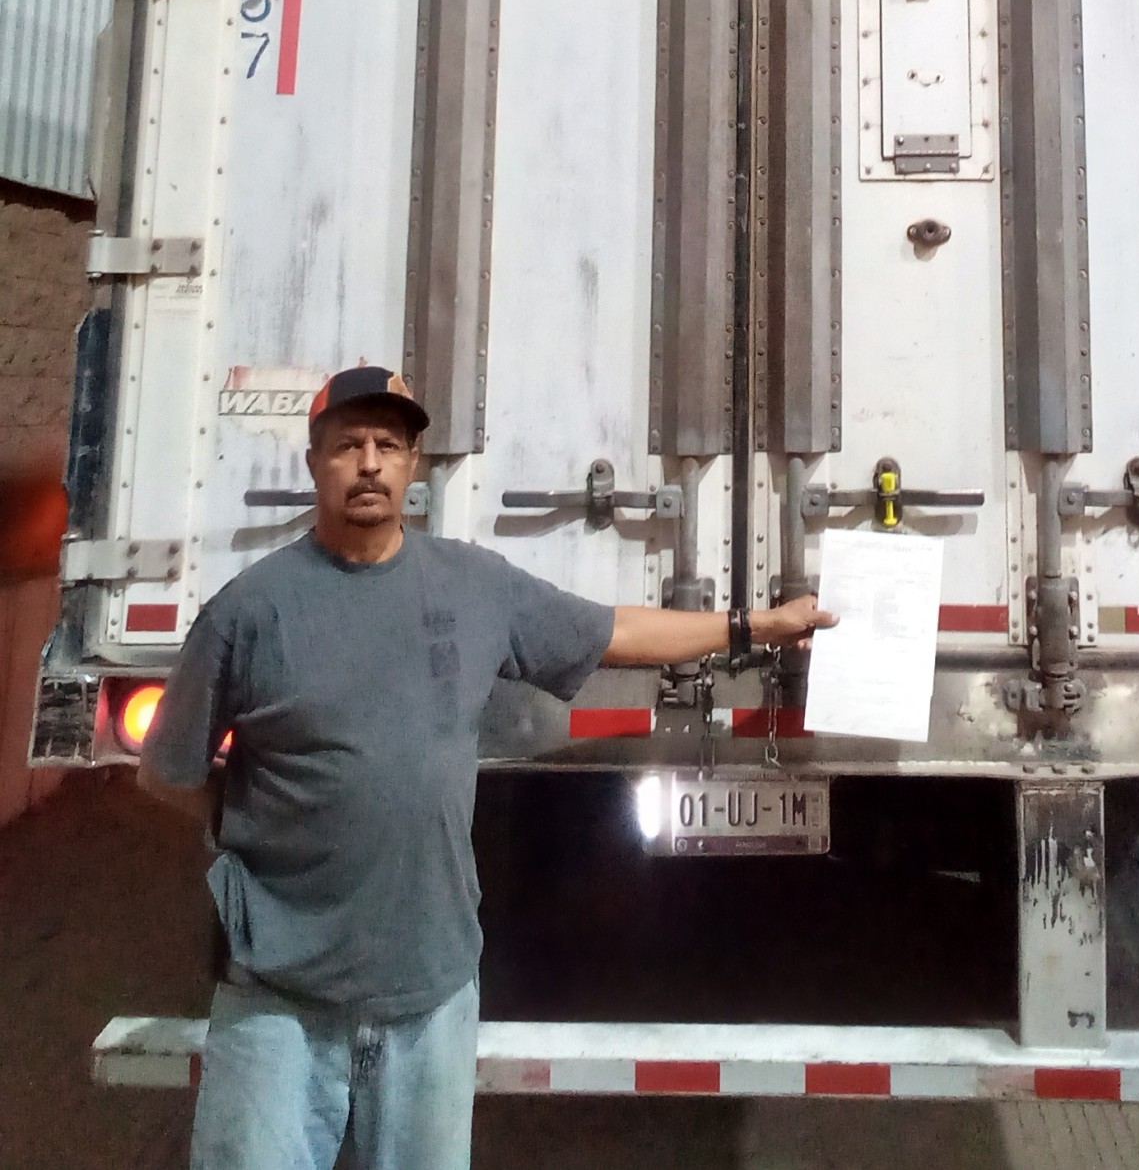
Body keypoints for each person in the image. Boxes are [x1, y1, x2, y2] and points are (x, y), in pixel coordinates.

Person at [140, 363, 833, 1170]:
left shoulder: (472, 586)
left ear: (413, 464)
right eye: (348, 445)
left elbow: (616, 630)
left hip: (430, 998)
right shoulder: (248, 610)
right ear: (314, 461)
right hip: (279, 1001)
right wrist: (257, 827)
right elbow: (167, 769)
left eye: (388, 445)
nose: (369, 463)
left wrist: (755, 626)